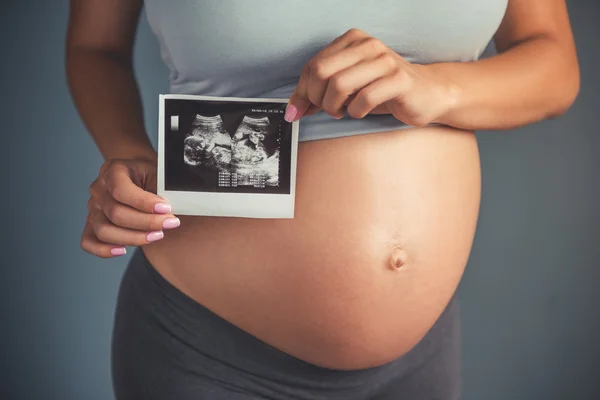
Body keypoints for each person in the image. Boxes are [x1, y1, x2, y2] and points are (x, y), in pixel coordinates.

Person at [66, 1, 579, 399]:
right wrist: (128, 150)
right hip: (207, 349)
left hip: (420, 357)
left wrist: (438, 86)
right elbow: (95, 46)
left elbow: (554, 60)